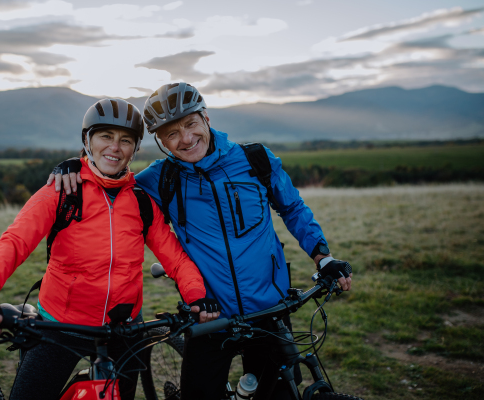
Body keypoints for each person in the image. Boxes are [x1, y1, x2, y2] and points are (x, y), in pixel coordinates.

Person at [49, 83, 353, 400]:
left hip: (270, 309)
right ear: (160, 141)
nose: (185, 139)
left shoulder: (255, 160)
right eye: (171, 133)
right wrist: (77, 164)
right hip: (208, 316)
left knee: (278, 394)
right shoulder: (160, 179)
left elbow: (292, 208)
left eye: (190, 124)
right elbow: (111, 183)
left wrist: (323, 257)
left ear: (206, 118)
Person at [0, 98, 220, 400]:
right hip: (60, 326)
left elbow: (175, 258)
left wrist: (197, 296)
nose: (115, 147)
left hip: (124, 329)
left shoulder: (141, 201)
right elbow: (13, 243)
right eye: (105, 136)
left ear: (135, 149)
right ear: (87, 141)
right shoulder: (62, 192)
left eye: (125, 140)